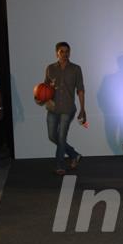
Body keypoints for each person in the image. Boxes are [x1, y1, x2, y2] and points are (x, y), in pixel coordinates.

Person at [38, 42, 86, 175]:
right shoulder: (50, 68)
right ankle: (74, 154)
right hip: (52, 108)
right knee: (52, 136)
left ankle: (60, 165)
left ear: (69, 53)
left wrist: (82, 109)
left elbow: (80, 89)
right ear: (57, 53)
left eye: (67, 51)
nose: (65, 54)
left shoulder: (76, 69)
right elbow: (45, 88)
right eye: (62, 51)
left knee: (61, 136)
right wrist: (40, 98)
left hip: (68, 108)